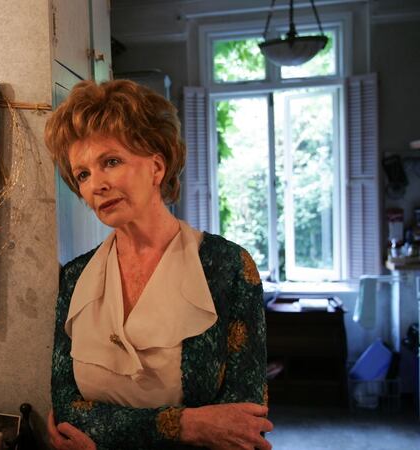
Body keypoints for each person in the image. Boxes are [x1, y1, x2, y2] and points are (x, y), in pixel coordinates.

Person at [44, 80, 272, 450]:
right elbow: (69, 413)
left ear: (156, 167)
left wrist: (106, 436)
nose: (95, 185)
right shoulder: (74, 277)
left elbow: (245, 427)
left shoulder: (227, 267)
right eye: (82, 174)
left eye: (111, 162)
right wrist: (188, 425)